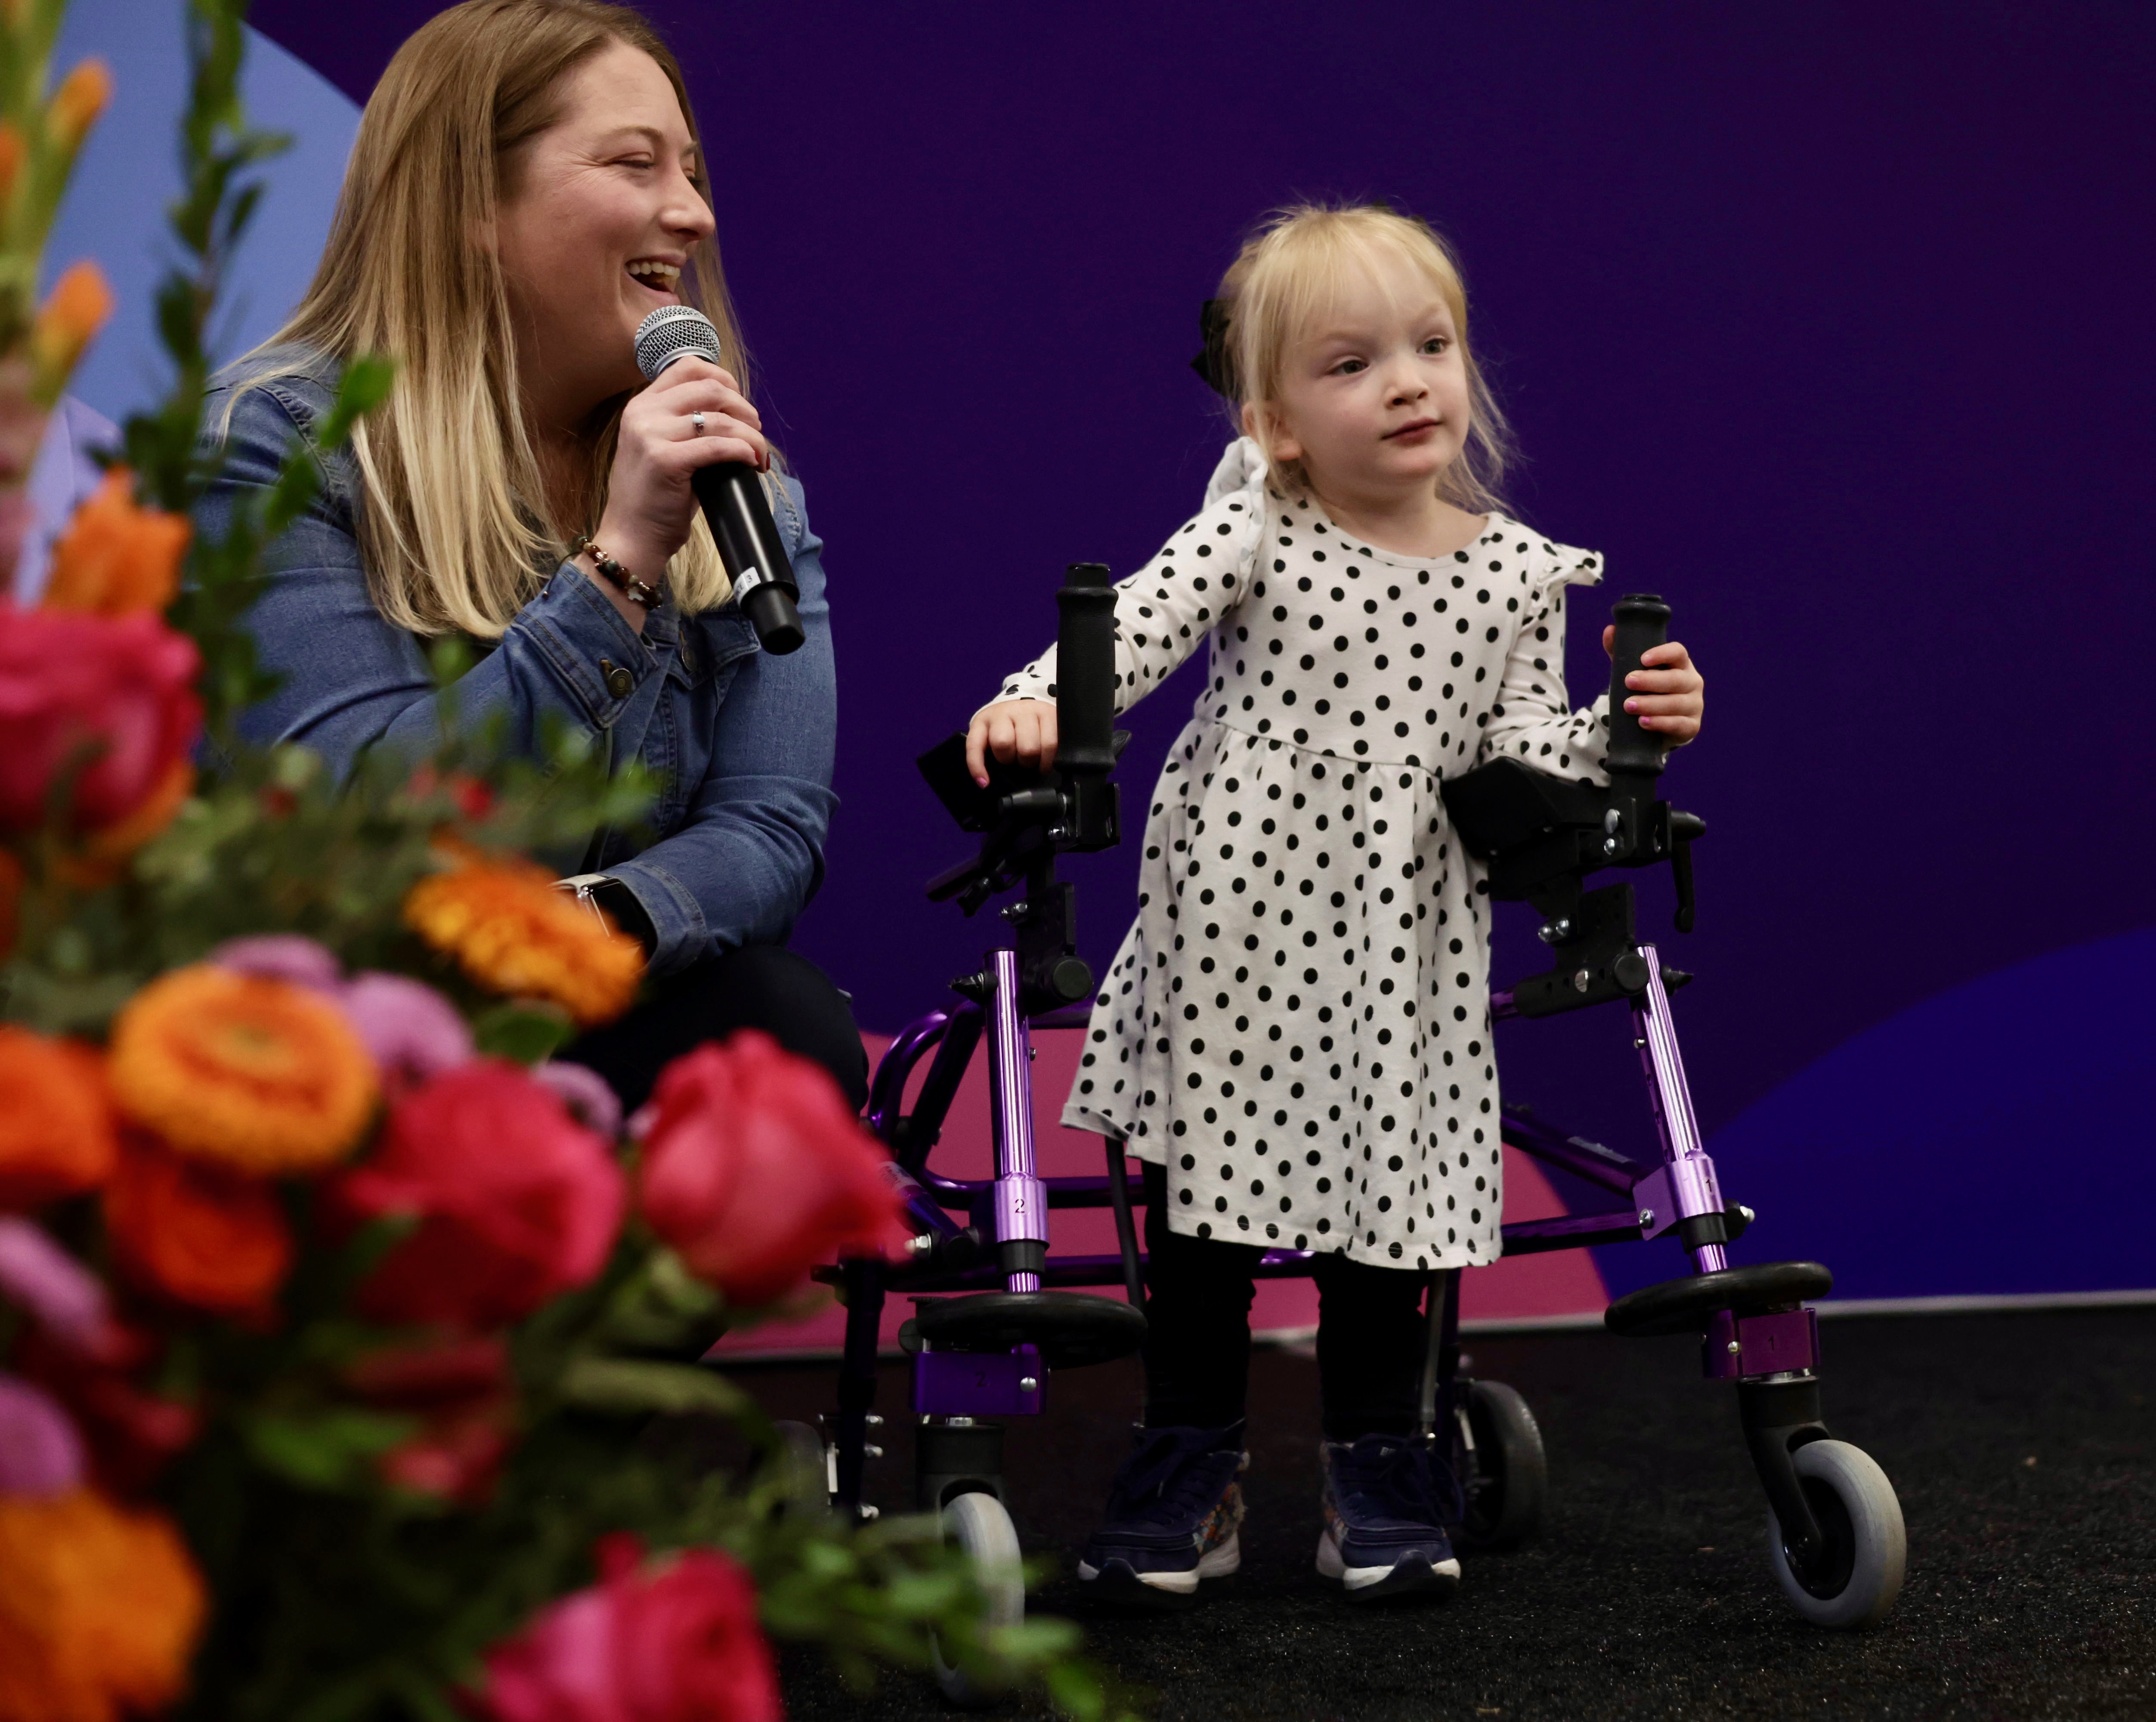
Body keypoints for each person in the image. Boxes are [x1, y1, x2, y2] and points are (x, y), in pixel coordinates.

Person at [964, 204, 1706, 1604]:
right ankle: (1193, 1457)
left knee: (1392, 1214)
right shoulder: (1252, 531)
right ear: (1277, 424)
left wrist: (1632, 727)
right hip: (1237, 929)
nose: (1412, 382)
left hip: (1402, 947)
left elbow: (1520, 745)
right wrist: (1031, 705)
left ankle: (1381, 1453)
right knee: (1202, 1224)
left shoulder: (1511, 574)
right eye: (1354, 363)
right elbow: (1129, 628)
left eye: (1433, 346)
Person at [197, 0, 864, 1115]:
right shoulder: (273, 448)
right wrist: (619, 566)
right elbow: (350, 833)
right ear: (473, 205)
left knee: (780, 1019)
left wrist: (575, 929)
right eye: (635, 164)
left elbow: (769, 827)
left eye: (693, 172)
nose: (692, 214)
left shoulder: (752, 499)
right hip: (343, 1026)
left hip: (593, 996)